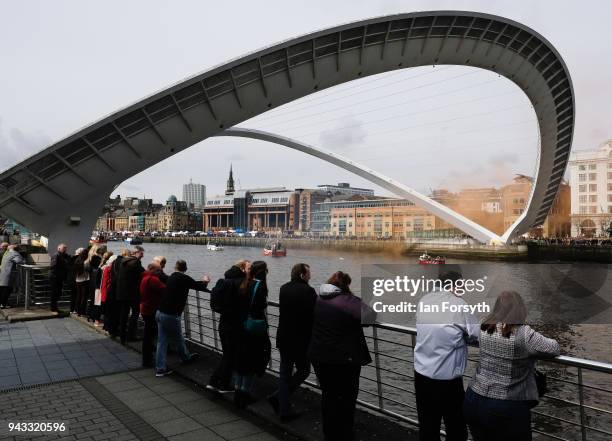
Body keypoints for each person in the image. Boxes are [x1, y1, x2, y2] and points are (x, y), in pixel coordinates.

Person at [463, 291, 561, 441]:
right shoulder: (524, 334)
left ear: (497, 308)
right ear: (520, 310)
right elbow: (554, 348)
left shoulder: (484, 325)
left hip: (473, 398)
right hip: (506, 406)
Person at [308, 271, 376, 441]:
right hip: (344, 360)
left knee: (329, 395)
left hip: (320, 357)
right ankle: (345, 434)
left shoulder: (318, 298)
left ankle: (329, 434)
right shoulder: (348, 301)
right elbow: (371, 316)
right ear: (346, 285)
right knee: (347, 397)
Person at [413, 270, 479, 441]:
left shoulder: (424, 300)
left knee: (428, 426)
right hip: (447, 380)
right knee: (456, 427)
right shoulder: (460, 305)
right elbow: (476, 334)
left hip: (421, 375)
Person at [268, 263, 317, 422]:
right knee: (303, 370)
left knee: (284, 373)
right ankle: (282, 404)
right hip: (301, 340)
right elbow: (314, 313)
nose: (310, 276)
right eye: (308, 273)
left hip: (284, 337)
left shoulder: (284, 288)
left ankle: (281, 403)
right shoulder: (308, 291)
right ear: (302, 275)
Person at [155, 259, 210, 377]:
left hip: (160, 312)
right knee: (179, 338)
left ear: (175, 267)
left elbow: (161, 276)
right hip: (171, 314)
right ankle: (185, 358)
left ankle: (160, 368)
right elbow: (198, 286)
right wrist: (205, 281)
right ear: (185, 269)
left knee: (161, 341)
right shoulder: (184, 278)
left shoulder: (172, 277)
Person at [207, 259, 250, 393]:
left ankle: (216, 382)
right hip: (235, 323)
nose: (251, 271)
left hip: (224, 322)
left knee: (228, 354)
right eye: (249, 268)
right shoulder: (241, 283)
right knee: (230, 355)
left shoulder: (224, 281)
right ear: (243, 268)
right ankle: (220, 384)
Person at [233, 260, 271, 408]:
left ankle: (238, 391)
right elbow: (260, 306)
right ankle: (245, 394)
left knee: (241, 360)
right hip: (253, 329)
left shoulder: (244, 282)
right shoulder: (259, 286)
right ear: (263, 272)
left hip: (242, 326)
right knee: (251, 361)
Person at [116, 246, 145, 345]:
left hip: (122, 292)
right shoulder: (135, 262)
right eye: (141, 253)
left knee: (124, 313)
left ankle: (122, 335)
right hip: (132, 293)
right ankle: (131, 335)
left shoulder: (123, 261)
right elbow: (143, 273)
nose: (143, 255)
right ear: (136, 253)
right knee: (136, 312)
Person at [140, 262, 166, 368]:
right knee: (150, 335)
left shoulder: (144, 277)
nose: (160, 272)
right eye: (158, 270)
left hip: (144, 308)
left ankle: (147, 358)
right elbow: (165, 289)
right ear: (151, 269)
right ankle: (148, 359)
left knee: (148, 334)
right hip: (151, 309)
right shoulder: (153, 279)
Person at [49, 243, 70, 312]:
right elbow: (53, 266)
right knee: (55, 293)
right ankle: (53, 308)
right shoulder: (56, 255)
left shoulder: (63, 256)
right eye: (63, 249)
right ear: (59, 248)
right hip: (55, 277)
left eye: (65, 249)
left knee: (58, 293)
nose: (65, 250)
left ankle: (55, 307)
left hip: (59, 277)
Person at [73, 248, 90, 316]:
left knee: (78, 296)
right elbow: (88, 270)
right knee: (84, 297)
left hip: (78, 280)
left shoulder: (77, 260)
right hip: (84, 280)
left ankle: (77, 310)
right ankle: (82, 311)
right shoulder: (86, 261)